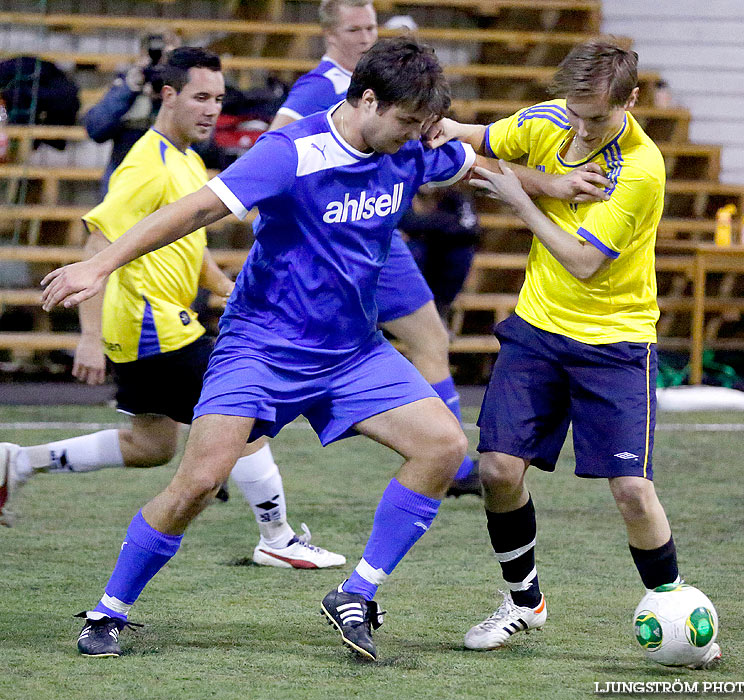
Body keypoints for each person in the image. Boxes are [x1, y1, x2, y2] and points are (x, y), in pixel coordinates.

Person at [40, 38, 475, 662]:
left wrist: (557, 182)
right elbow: (194, 211)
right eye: (406, 122)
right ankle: (110, 610)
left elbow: (481, 159)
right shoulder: (289, 153)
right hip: (261, 348)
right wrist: (102, 265)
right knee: (198, 483)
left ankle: (357, 593)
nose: (414, 136)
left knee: (444, 444)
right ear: (369, 99)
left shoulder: (406, 148)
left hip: (351, 351)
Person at [426, 40, 722, 668]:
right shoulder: (550, 119)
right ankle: (523, 602)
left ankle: (676, 610)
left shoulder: (640, 168)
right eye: (575, 112)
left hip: (614, 343)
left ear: (630, 100)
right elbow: (483, 135)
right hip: (537, 328)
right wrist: (440, 125)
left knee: (632, 492)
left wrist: (523, 199)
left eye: (596, 117)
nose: (582, 128)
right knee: (499, 471)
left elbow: (585, 262)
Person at [0, 48, 345, 576]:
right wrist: (88, 336)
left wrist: (225, 284)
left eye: (219, 99)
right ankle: (277, 537)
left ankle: (19, 462)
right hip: (150, 326)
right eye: (201, 98)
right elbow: (96, 241)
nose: (212, 110)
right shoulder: (146, 162)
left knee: (151, 444)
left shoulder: (185, 157)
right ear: (168, 96)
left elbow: (191, 243)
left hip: (154, 326)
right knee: (245, 411)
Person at [270, 0, 481, 497]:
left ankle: (454, 463)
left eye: (371, 26)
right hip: (342, 242)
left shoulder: (388, 88)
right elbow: (277, 147)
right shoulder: (320, 88)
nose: (366, 36)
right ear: (329, 34)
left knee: (431, 340)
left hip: (380, 240)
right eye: (354, 28)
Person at [85, 31, 182, 196]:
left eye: (167, 56)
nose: (160, 62)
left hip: (171, 179)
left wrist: (173, 95)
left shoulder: (185, 88)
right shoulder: (129, 85)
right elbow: (96, 129)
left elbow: (202, 143)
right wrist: (129, 89)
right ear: (143, 54)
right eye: (155, 54)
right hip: (125, 179)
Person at [399, 188, 480, 323]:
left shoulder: (456, 195)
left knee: (462, 251)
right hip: (415, 260)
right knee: (410, 250)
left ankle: (438, 313)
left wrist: (421, 225)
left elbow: (471, 230)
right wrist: (448, 222)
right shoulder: (401, 191)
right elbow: (404, 221)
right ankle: (403, 315)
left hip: (439, 261)